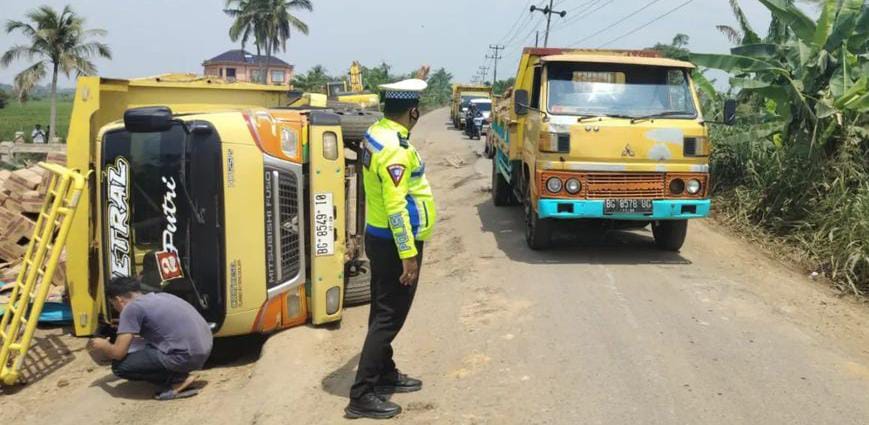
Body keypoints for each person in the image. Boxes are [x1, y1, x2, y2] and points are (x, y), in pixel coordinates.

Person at [345, 78, 437, 419]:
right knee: (389, 316)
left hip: (378, 235)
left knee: (381, 309)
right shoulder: (395, 149)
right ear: (412, 111)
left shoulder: (377, 132)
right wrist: (408, 254)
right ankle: (362, 393)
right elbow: (397, 205)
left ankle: (383, 372)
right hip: (395, 242)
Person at [86, 276, 213, 400]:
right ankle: (178, 373)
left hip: (186, 357)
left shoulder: (131, 309)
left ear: (119, 300)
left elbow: (118, 353)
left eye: (113, 304)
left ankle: (177, 381)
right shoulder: (163, 296)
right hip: (204, 349)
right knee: (144, 345)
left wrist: (103, 344)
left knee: (120, 366)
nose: (115, 309)